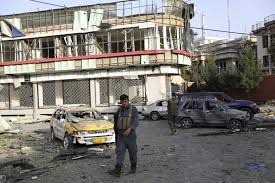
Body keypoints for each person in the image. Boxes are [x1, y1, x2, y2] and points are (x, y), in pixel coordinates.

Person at [108, 94, 139, 177]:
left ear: (128, 101)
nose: (124, 104)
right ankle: (118, 170)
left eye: (125, 101)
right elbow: (116, 123)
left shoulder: (133, 110)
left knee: (133, 152)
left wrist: (130, 129)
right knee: (120, 153)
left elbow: (136, 121)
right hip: (121, 136)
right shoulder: (119, 111)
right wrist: (116, 136)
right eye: (122, 102)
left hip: (131, 136)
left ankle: (133, 167)